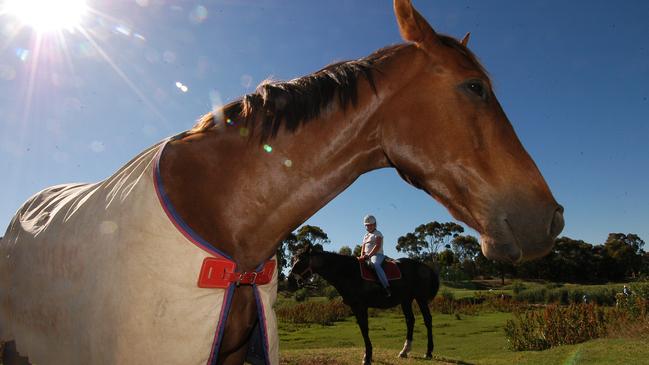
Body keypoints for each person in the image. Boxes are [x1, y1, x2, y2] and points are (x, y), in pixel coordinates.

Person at [360, 214, 391, 297]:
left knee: (375, 264)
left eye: (370, 225)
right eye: (367, 225)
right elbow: (363, 248)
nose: (368, 227)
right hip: (366, 256)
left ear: (374, 225)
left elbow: (377, 246)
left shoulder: (378, 233)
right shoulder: (365, 236)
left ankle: (386, 287)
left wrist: (368, 255)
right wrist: (361, 256)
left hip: (377, 255)